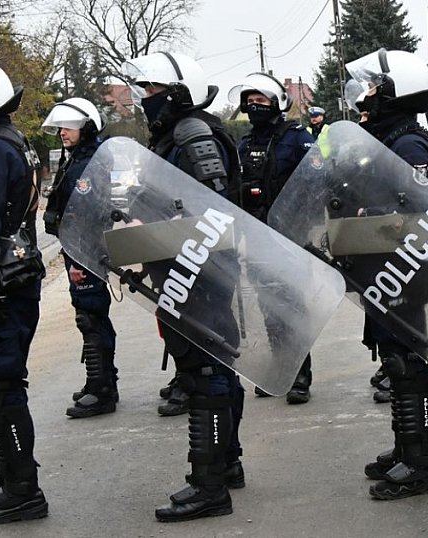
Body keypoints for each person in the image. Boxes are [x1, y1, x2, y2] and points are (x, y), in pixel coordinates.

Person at [121, 51, 245, 521]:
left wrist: (155, 228)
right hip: (188, 273)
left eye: (151, 90)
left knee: (206, 374)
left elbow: (207, 211)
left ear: (174, 93)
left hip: (201, 276)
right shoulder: (174, 136)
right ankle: (225, 463)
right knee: (212, 370)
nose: (144, 99)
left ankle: (209, 485)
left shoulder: (193, 136)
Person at [343, 48, 428, 499]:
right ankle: (406, 447)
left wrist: (371, 212)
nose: (366, 97)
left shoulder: (408, 143)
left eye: (373, 88)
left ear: (393, 91)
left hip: (407, 269)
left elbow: (417, 210)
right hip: (385, 266)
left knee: (408, 365)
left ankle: (421, 464)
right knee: (395, 360)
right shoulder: (388, 137)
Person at [0, 60, 48, 524]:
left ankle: (23, 488)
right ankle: (3, 472)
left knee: (1, 385)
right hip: (14, 281)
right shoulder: (11, 139)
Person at [227, 72, 315, 404]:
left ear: (276, 104)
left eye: (260, 101)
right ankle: (282, 371)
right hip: (257, 237)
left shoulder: (297, 138)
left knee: (292, 306)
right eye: (249, 102)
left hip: (291, 238)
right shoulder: (245, 144)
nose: (254, 106)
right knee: (269, 307)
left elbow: (314, 180)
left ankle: (301, 374)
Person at [42, 98, 119, 418]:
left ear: (86, 126)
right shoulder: (79, 157)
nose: (62, 131)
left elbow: (85, 211)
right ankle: (99, 381)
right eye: (60, 126)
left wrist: (80, 258)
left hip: (85, 250)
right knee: (87, 316)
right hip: (77, 249)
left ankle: (102, 390)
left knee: (92, 316)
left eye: (69, 126)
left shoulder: (91, 160)